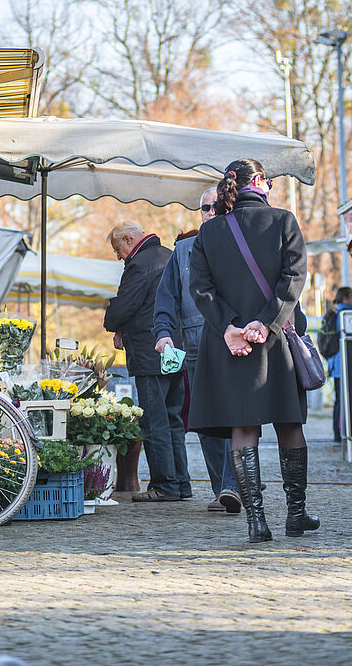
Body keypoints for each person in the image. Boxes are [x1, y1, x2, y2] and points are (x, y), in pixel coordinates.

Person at [188, 158, 320, 543]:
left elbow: (200, 288)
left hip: (229, 346)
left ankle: (256, 523)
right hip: (275, 342)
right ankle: (296, 516)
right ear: (259, 182)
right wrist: (266, 323)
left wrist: (230, 328)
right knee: (289, 426)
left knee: (243, 428)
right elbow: (294, 277)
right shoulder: (283, 221)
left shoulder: (209, 232)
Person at [153, 187, 242, 514]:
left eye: (217, 207)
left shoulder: (245, 246)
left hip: (239, 346)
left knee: (237, 417)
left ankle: (234, 485)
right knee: (206, 422)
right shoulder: (183, 250)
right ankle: (223, 489)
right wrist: (163, 333)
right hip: (196, 347)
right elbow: (166, 299)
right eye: (206, 208)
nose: (211, 212)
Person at [103, 220, 192, 502]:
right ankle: (181, 483)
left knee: (154, 421)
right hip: (175, 349)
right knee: (174, 418)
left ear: (129, 239)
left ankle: (165, 485)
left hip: (149, 350)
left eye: (118, 249)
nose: (118, 256)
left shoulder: (140, 264)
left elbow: (124, 305)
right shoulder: (168, 255)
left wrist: (112, 321)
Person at [327, 287, 352, 448]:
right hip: (344, 362)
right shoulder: (347, 314)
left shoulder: (334, 314)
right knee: (344, 400)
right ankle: (341, 433)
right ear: (346, 298)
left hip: (335, 363)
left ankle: (337, 433)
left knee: (338, 400)